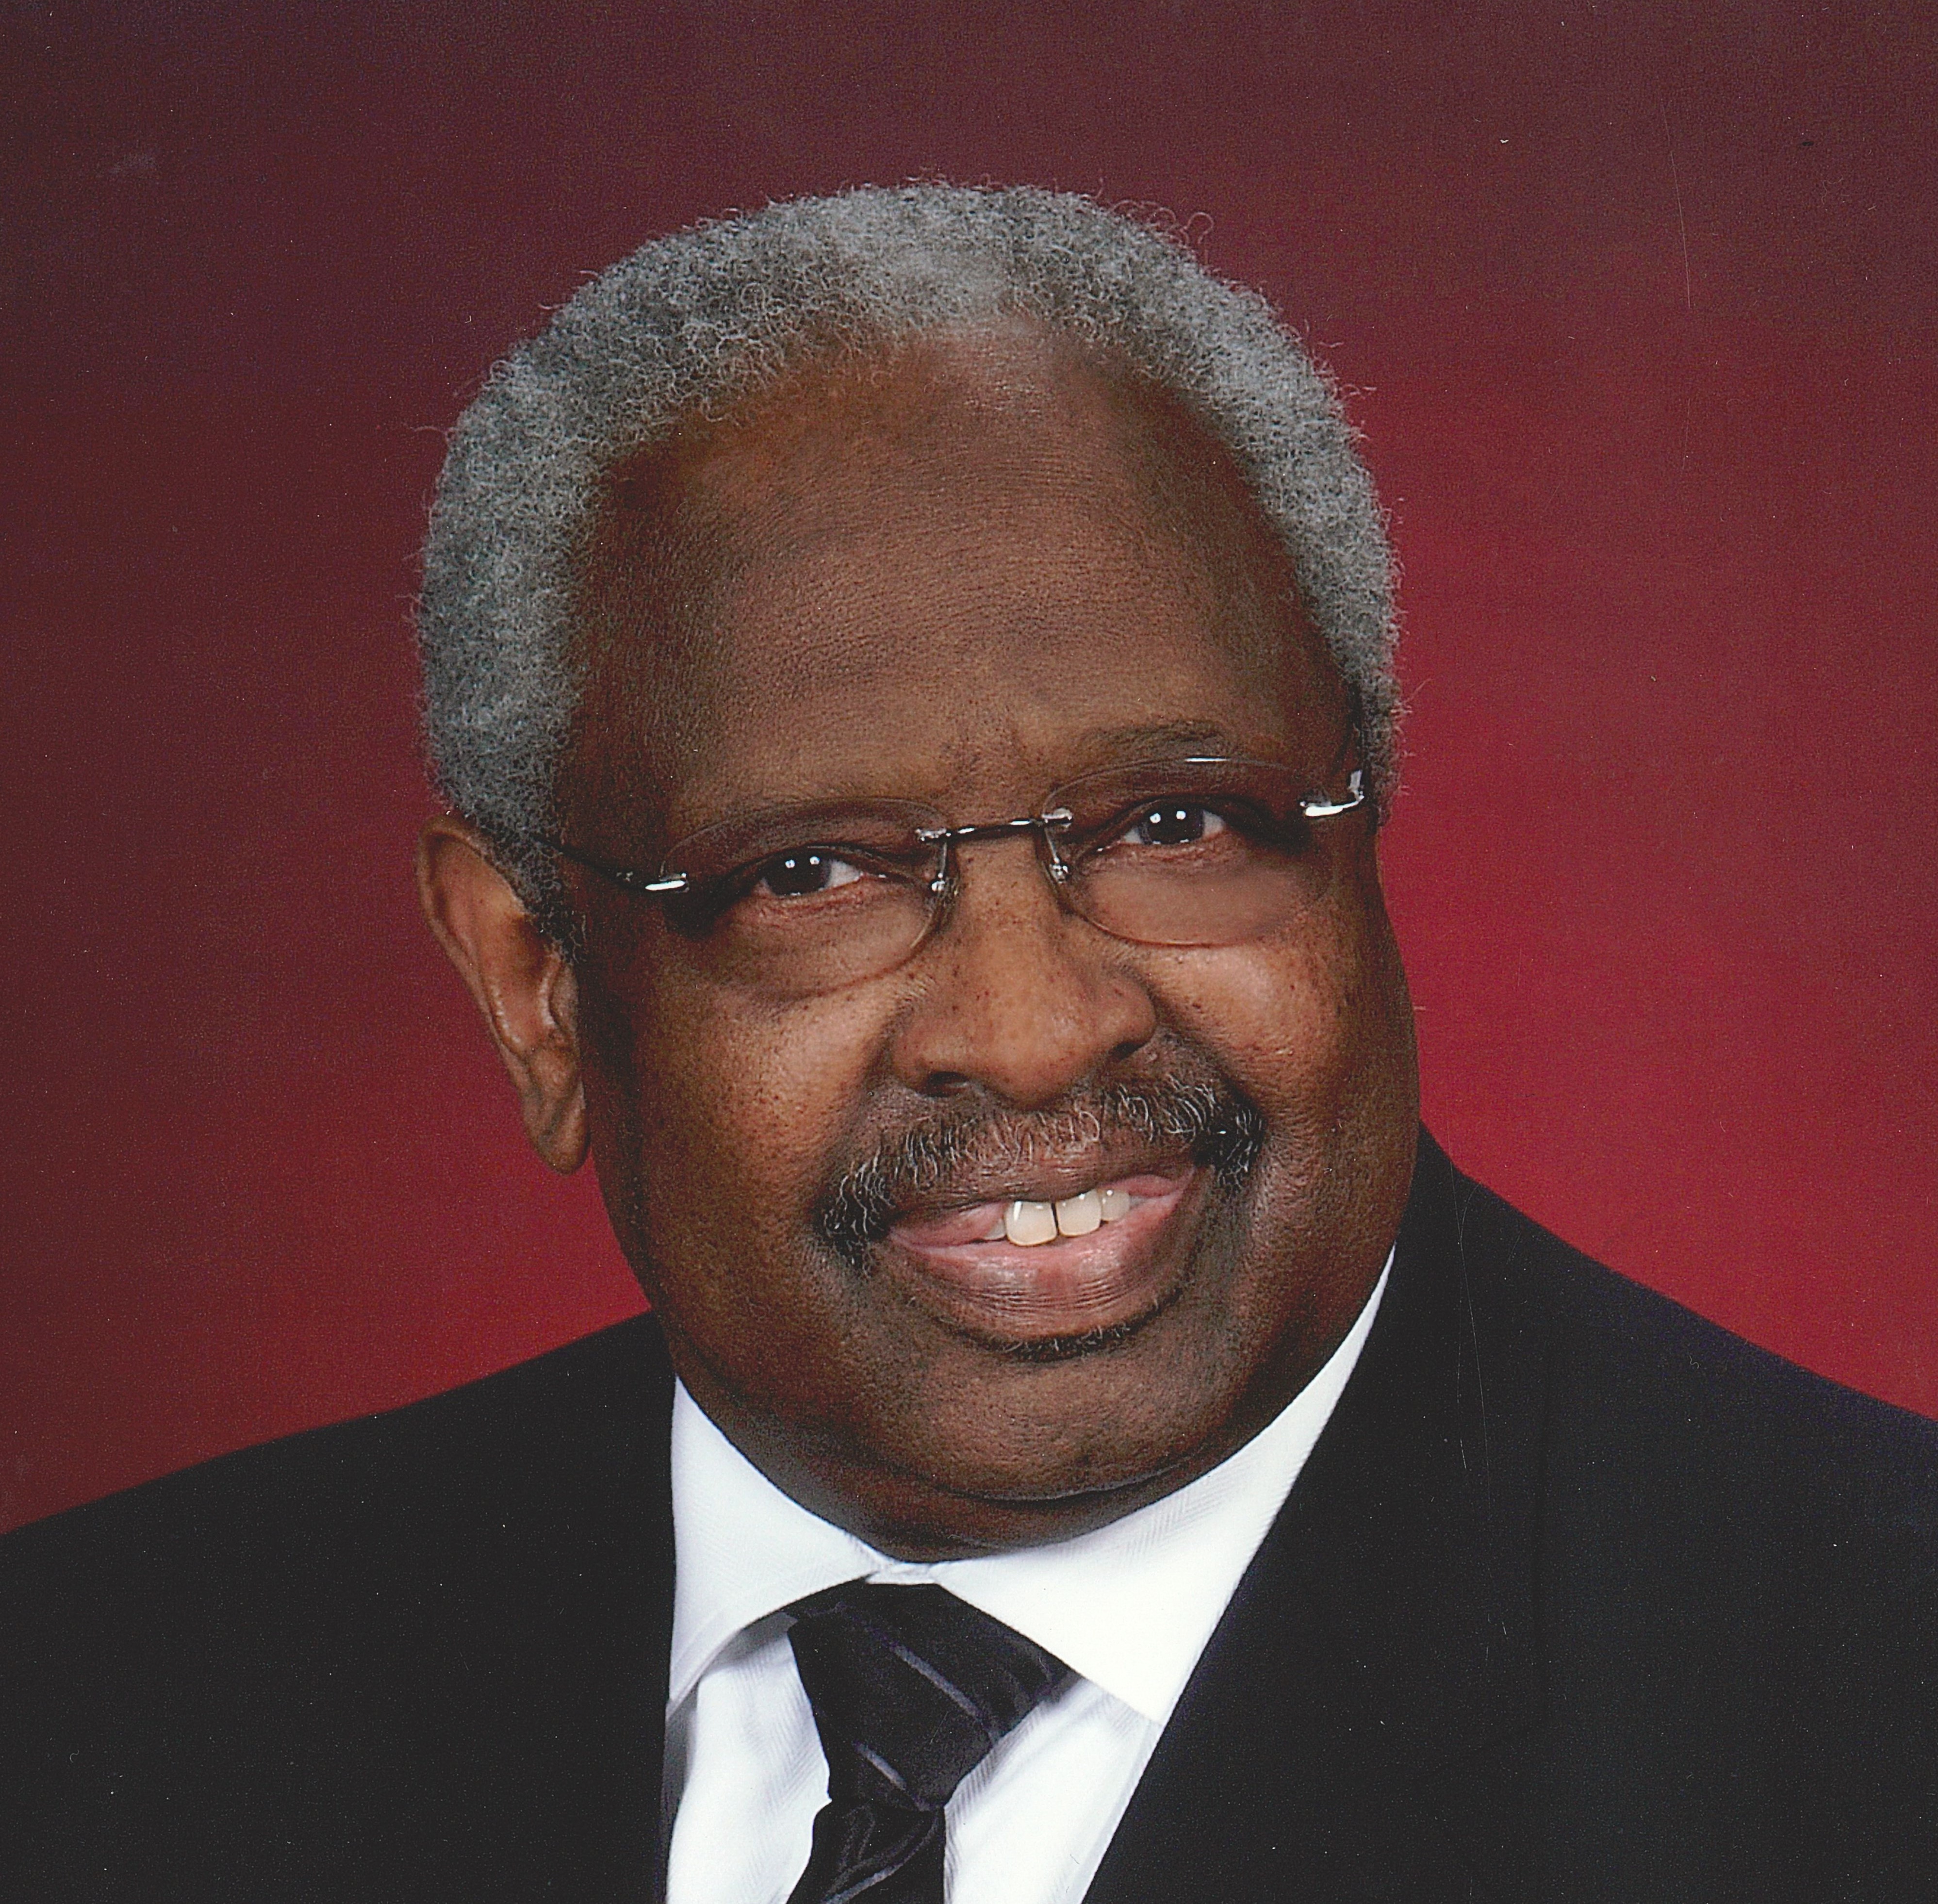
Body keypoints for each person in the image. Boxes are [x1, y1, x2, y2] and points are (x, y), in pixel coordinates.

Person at [2, 184, 1933, 1903]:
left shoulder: (1867, 1703)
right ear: (538, 987)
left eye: (1176, 820)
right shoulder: (102, 1704)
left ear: (1359, 829)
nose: (1032, 1032)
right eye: (812, 871)